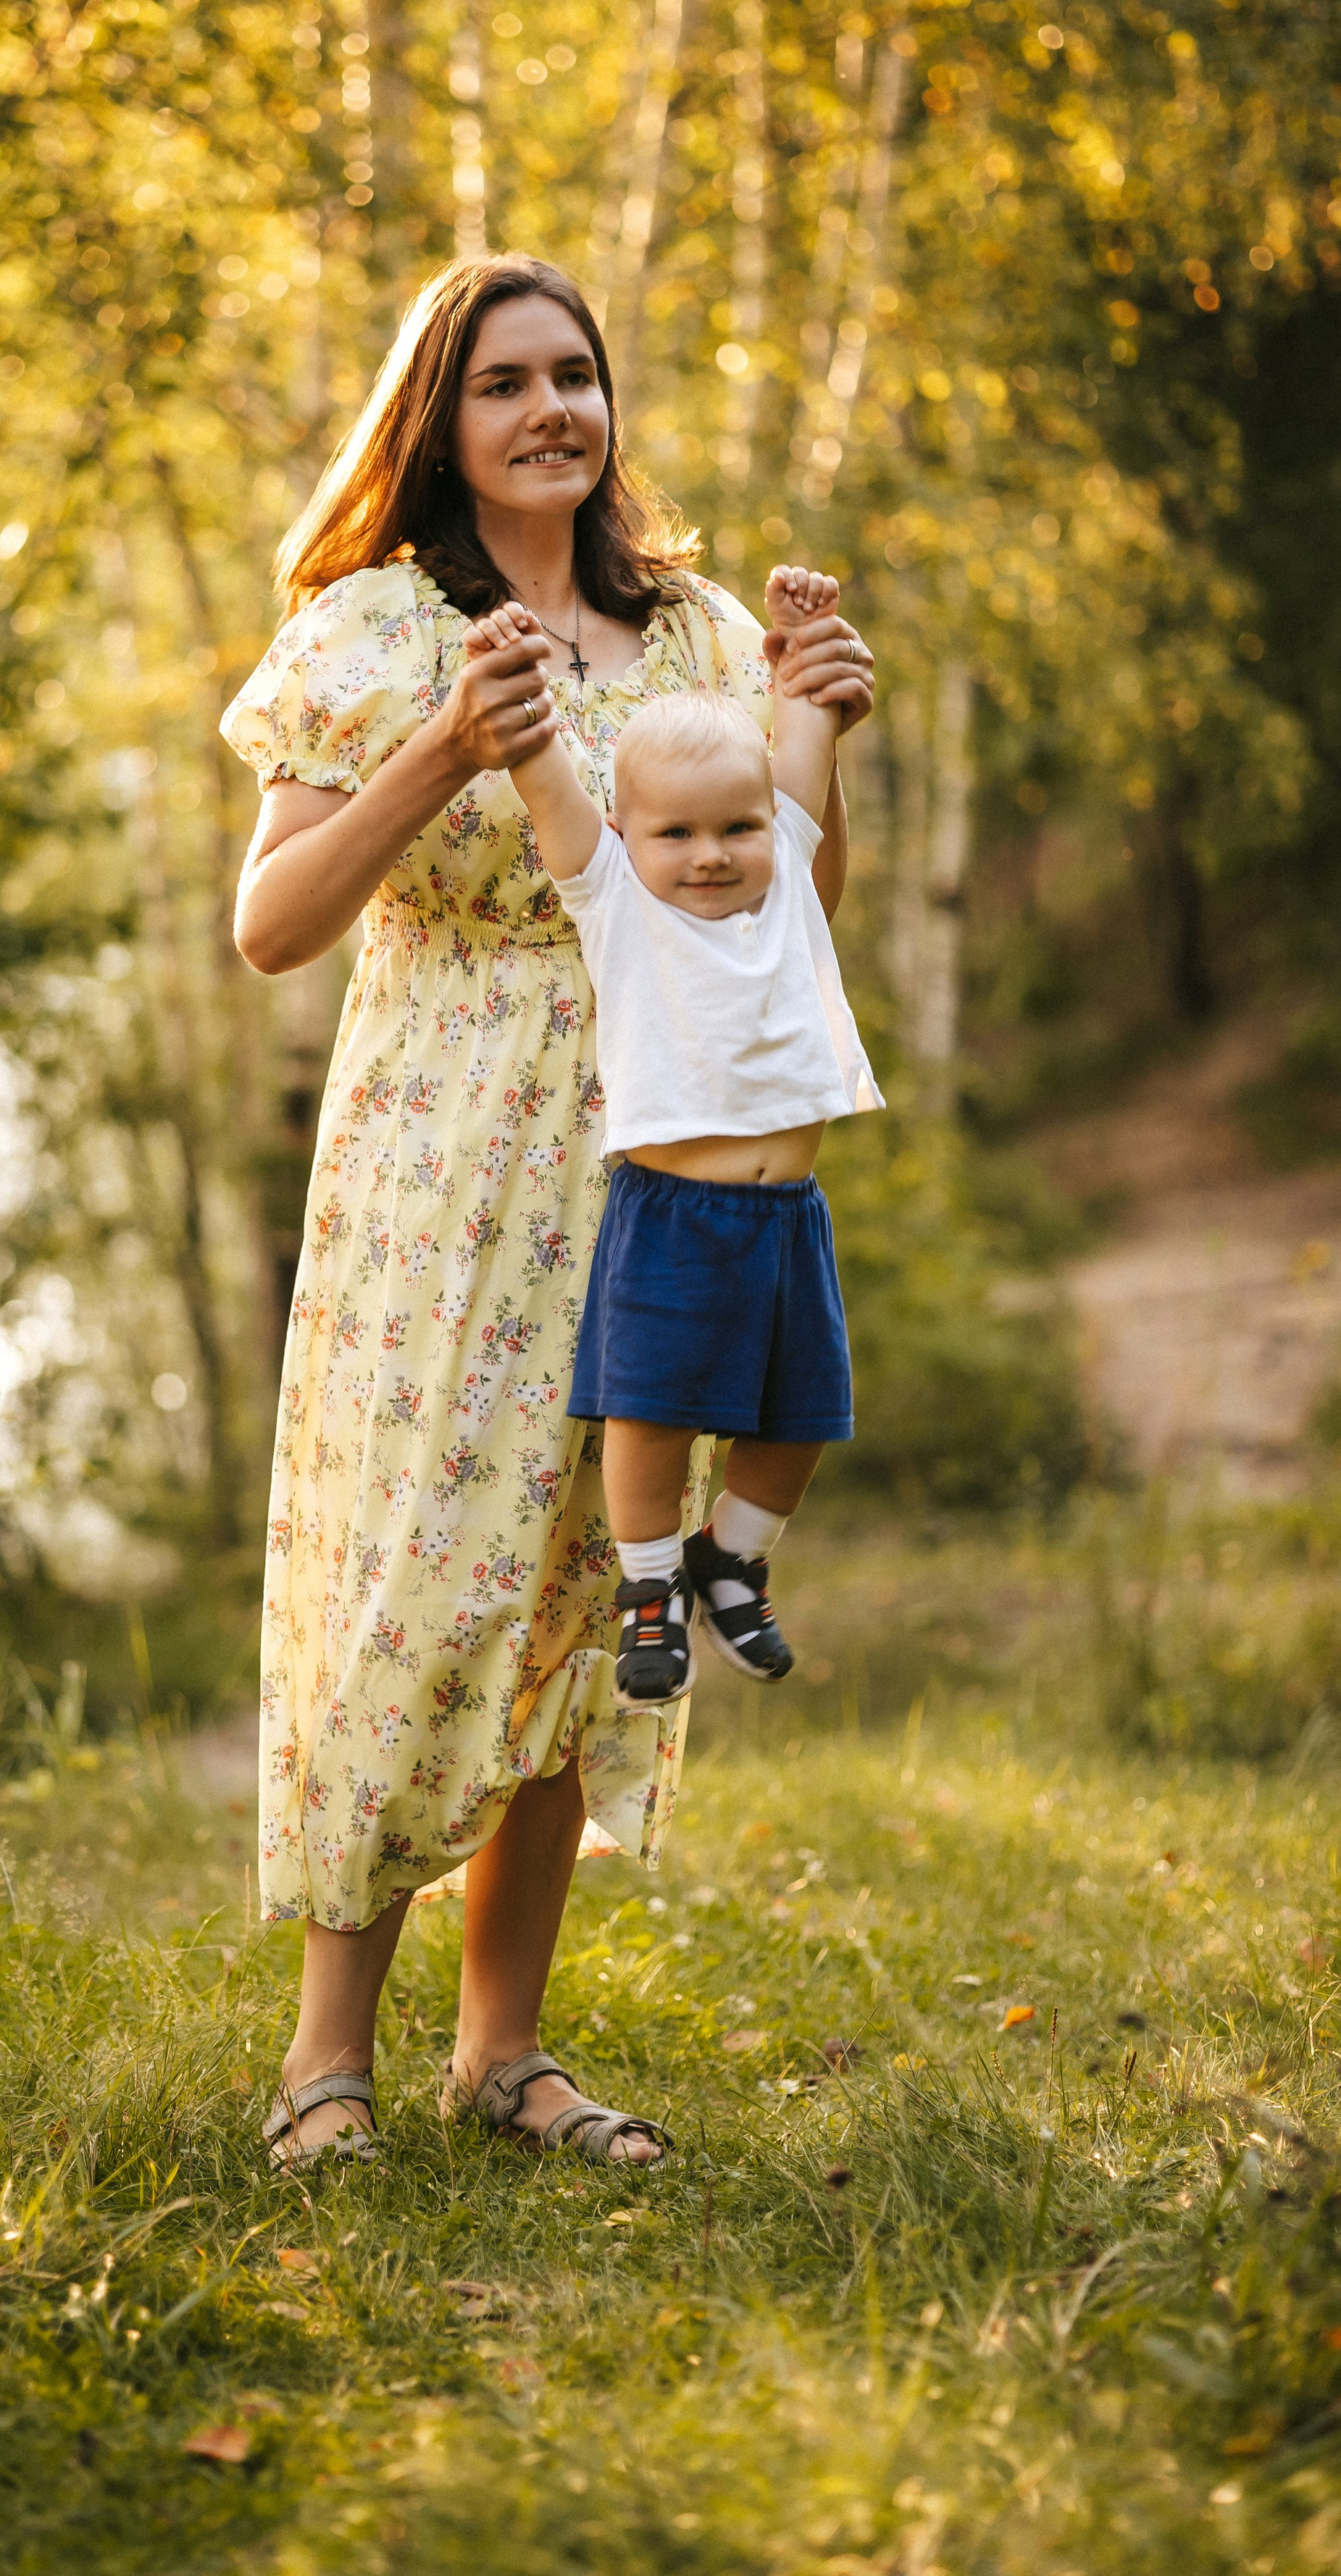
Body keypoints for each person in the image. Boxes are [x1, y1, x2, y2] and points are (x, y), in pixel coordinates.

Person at [222, 254, 876, 2170]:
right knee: (419, 1586)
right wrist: (446, 749)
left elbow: (776, 917)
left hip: (658, 1169)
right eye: (503, 382)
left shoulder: (694, 637)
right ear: (445, 417)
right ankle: (324, 2061)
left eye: (575, 375)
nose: (547, 413)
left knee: (587, 1599)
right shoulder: (368, 631)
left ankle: (502, 2055)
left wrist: (819, 719)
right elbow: (270, 930)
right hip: (443, 1169)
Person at [475, 566, 882, 1723]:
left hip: (786, 1220)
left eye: (737, 828)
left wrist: (800, 642)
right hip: (670, 1213)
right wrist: (513, 683)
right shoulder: (615, 900)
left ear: (770, 825)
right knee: (647, 1416)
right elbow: (545, 777)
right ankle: (650, 1591)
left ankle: (732, 1559)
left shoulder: (788, 879)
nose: (711, 854)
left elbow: (804, 737)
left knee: (802, 1414)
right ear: (626, 836)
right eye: (678, 833)